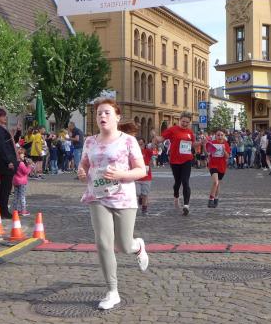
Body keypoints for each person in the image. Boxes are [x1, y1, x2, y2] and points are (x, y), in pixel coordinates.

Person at [77, 99, 148, 310]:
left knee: (124, 245)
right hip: (97, 196)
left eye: (107, 112)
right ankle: (112, 291)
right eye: (99, 113)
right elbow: (84, 164)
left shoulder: (128, 141)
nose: (102, 116)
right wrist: (81, 172)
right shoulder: (90, 141)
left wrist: (120, 174)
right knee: (103, 243)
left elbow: (141, 170)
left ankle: (138, 246)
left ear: (117, 117)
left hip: (123, 196)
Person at [155, 111, 195, 215]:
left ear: (189, 122)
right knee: (177, 182)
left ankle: (186, 205)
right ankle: (176, 196)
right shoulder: (172, 130)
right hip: (175, 160)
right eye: (183, 121)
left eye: (187, 122)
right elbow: (161, 139)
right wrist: (156, 137)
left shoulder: (190, 132)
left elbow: (193, 144)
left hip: (187, 159)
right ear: (179, 120)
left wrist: (201, 143)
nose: (185, 124)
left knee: (185, 181)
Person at [0, 108, 17, 219]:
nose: (5, 118)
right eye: (3, 116)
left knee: (5, 187)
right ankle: (3, 210)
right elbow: (2, 147)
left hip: (5, 161)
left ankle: (2, 209)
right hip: (5, 163)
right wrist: (8, 161)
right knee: (5, 188)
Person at [207, 130, 231, 208]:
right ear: (215, 136)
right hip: (213, 165)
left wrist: (224, 150)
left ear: (224, 136)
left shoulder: (226, 144)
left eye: (221, 135)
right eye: (218, 135)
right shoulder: (212, 143)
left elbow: (227, 157)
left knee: (218, 183)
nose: (220, 136)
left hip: (222, 166)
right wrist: (209, 150)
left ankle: (216, 198)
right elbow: (208, 153)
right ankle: (211, 199)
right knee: (215, 182)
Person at [12, 147, 33, 216]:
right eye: (23, 154)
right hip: (22, 182)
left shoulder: (14, 162)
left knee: (16, 196)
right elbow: (26, 172)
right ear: (19, 155)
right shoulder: (21, 163)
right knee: (22, 196)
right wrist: (29, 166)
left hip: (15, 180)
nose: (24, 155)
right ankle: (23, 210)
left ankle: (15, 209)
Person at [136, 137, 153, 215]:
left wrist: (154, 137)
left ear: (144, 144)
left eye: (141, 144)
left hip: (146, 176)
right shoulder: (132, 152)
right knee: (137, 193)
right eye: (138, 144)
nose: (140, 146)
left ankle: (144, 209)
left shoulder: (147, 151)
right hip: (136, 177)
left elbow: (153, 146)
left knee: (145, 194)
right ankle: (140, 197)